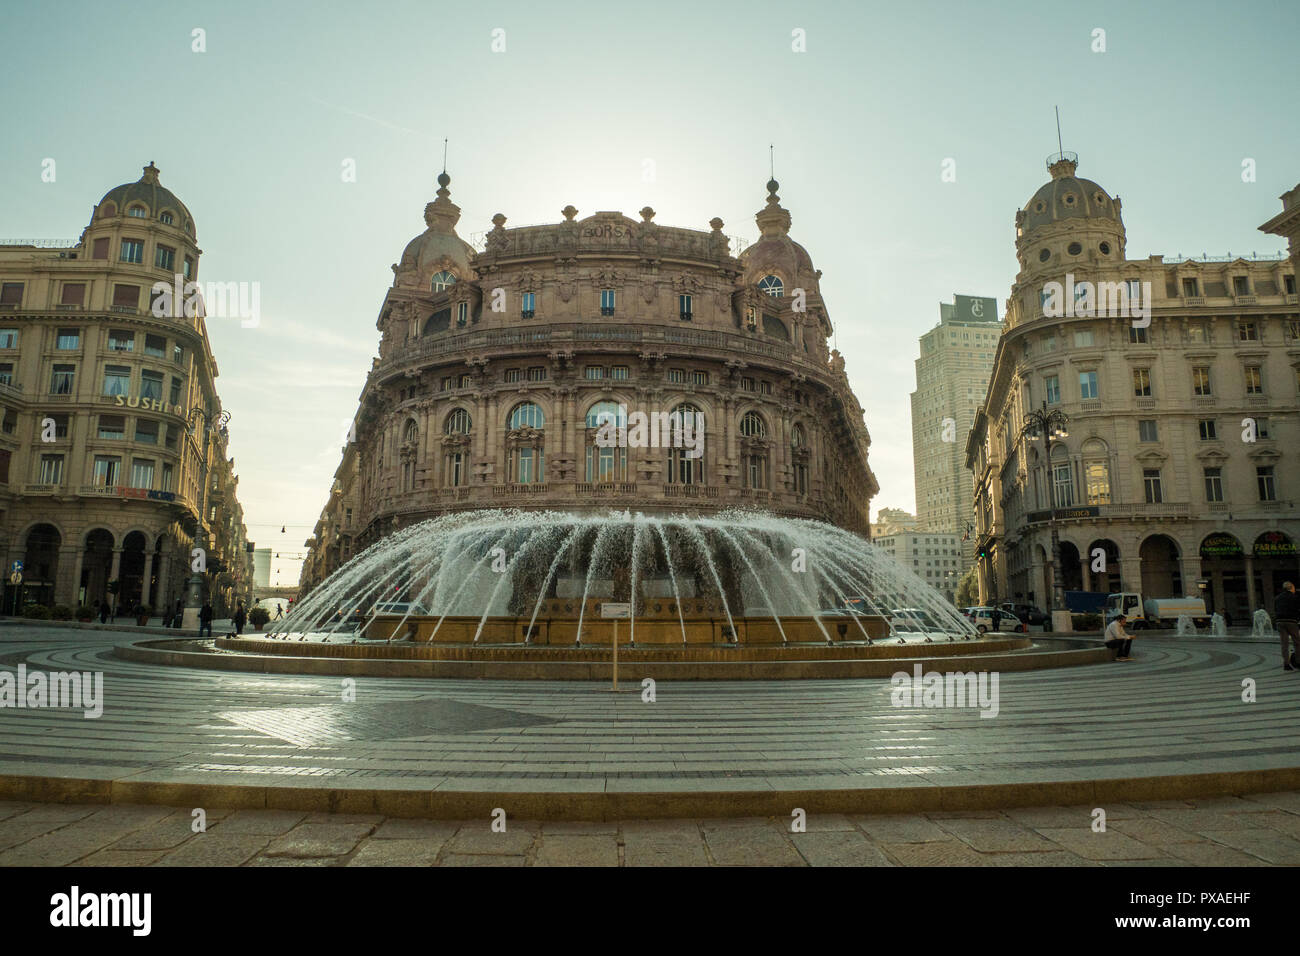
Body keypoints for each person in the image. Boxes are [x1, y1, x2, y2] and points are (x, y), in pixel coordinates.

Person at [1275, 581, 1300, 672]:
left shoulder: (1277, 598)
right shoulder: (1295, 598)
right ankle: (1298, 662)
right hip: (1291, 621)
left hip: (1279, 622)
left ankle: (1286, 664)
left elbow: (1276, 609)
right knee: (1297, 642)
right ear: (1291, 588)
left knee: (1284, 643)